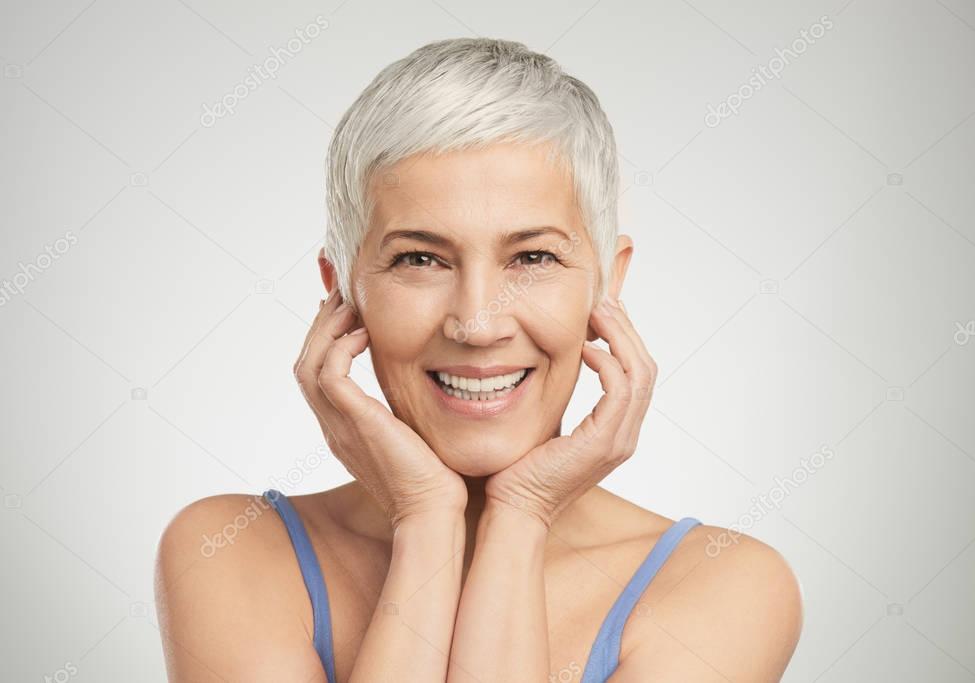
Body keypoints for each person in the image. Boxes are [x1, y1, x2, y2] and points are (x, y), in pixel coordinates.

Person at [154, 37, 803, 682]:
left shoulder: (725, 584)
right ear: (342, 290)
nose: (477, 323)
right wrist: (424, 519)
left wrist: (521, 514)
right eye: (419, 258)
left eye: (532, 257)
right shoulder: (230, 548)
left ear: (606, 283)